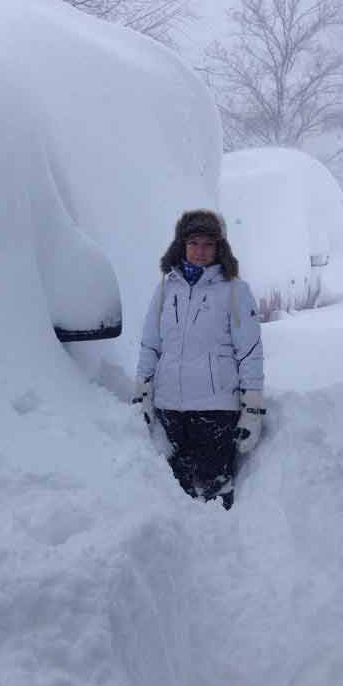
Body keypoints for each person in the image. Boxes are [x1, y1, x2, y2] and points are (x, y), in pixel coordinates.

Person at [133, 209, 264, 510]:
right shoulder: (167, 288)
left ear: (220, 248)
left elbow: (249, 352)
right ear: (182, 245)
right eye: (193, 243)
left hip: (215, 410)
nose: (200, 251)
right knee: (172, 497)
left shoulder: (235, 291)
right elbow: (150, 344)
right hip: (170, 409)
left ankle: (220, 552)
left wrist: (253, 406)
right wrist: (142, 390)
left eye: (208, 244)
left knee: (213, 495)